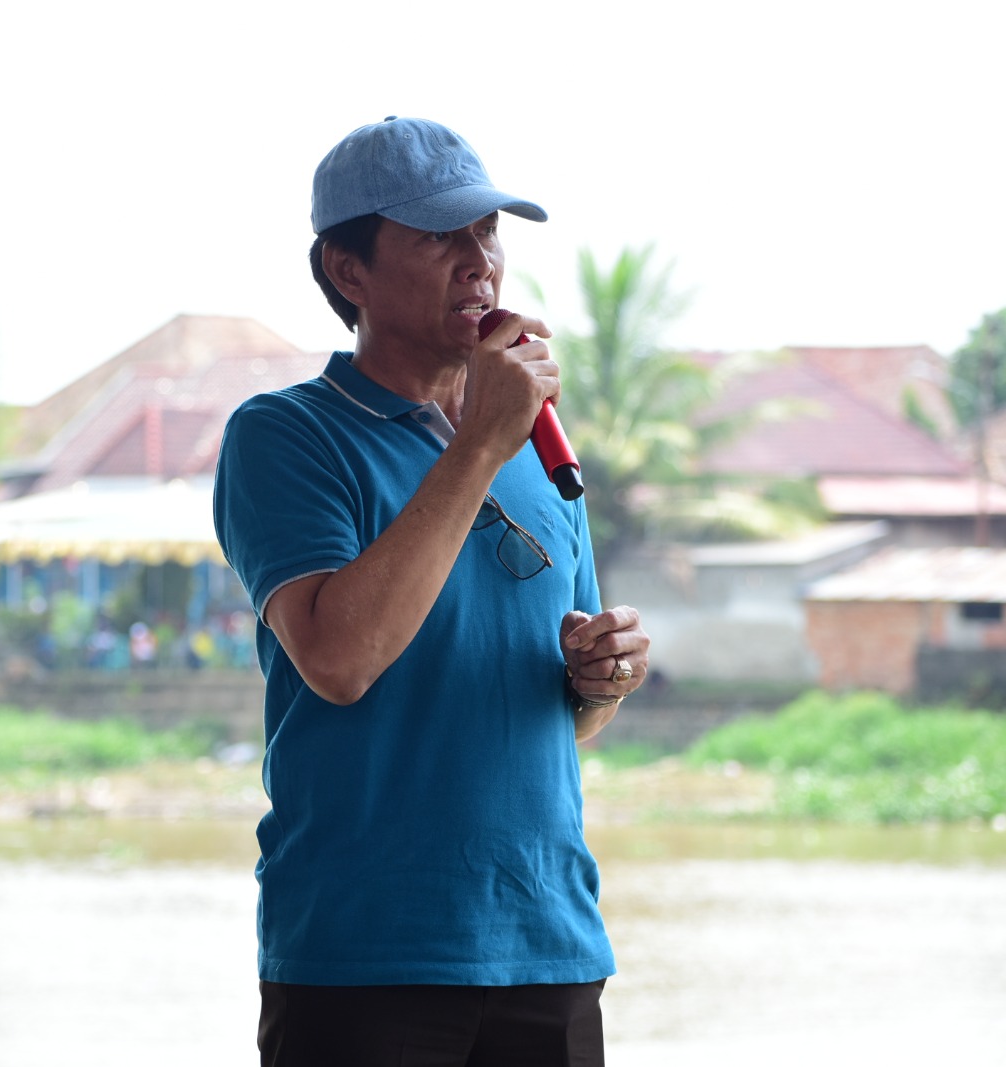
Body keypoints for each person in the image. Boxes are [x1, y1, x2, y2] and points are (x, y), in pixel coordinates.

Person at [213, 116, 651, 1067]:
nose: (478, 261)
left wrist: (601, 681)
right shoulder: (288, 437)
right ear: (347, 270)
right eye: (437, 236)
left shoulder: (539, 448)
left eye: (488, 234)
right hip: (363, 957)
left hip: (550, 945)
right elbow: (338, 660)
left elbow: (561, 715)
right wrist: (480, 442)